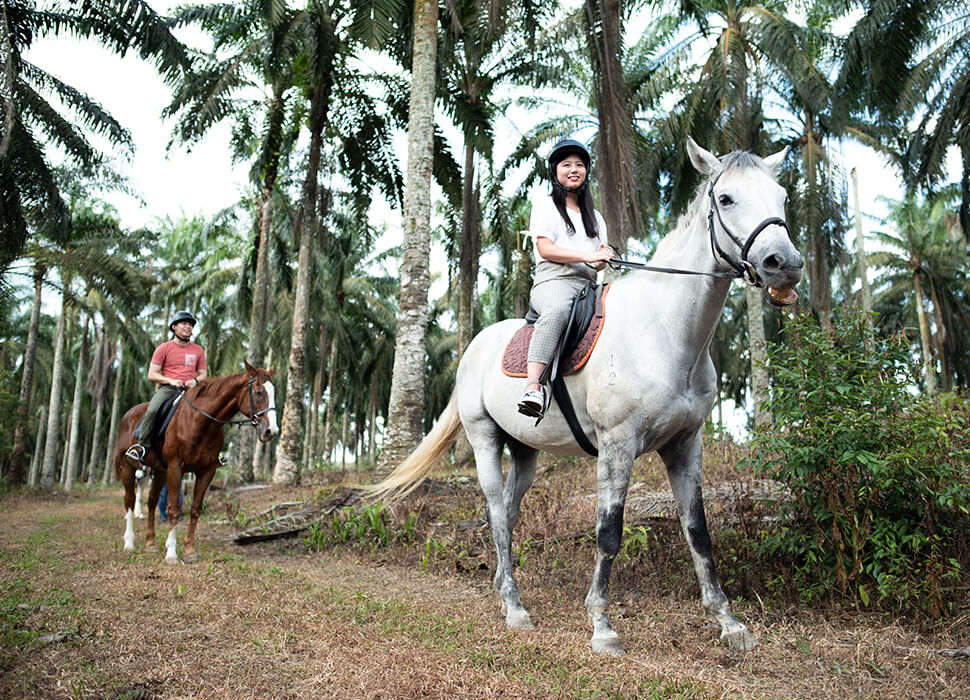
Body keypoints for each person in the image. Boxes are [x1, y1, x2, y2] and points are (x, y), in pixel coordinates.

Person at [518, 139, 614, 419]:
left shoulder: (596, 217)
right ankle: (533, 386)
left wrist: (603, 257)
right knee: (559, 310)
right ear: (555, 172)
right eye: (566, 165)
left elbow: (597, 262)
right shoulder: (546, 206)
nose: (574, 170)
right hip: (553, 280)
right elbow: (545, 249)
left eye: (580, 165)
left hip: (589, 284)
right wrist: (587, 257)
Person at [125, 310, 208, 467]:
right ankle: (141, 447)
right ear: (174, 327)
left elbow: (204, 373)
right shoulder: (164, 348)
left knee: (210, 409)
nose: (188, 327)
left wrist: (195, 380)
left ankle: (212, 452)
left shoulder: (198, 350)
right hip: (168, 389)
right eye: (184, 324)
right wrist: (171, 380)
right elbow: (152, 374)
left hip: (191, 390)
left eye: (190, 325)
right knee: (153, 410)